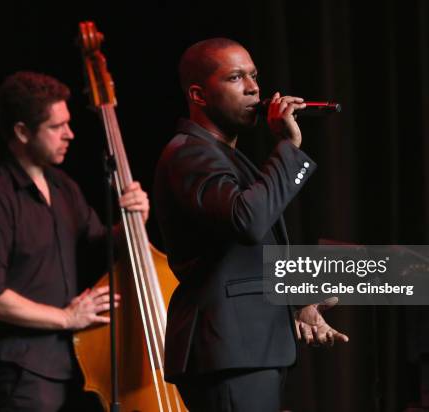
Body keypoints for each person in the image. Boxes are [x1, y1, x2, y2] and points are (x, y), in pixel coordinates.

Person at [153, 38, 349, 411]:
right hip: (227, 349)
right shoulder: (189, 153)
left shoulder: (224, 156)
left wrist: (295, 304)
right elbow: (248, 220)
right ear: (199, 94)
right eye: (235, 77)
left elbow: (238, 253)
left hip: (245, 346)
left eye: (255, 76)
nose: (254, 88)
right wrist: (290, 147)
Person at [0, 71, 149, 411]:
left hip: (72, 365)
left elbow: (101, 246)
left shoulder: (64, 187)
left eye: (68, 123)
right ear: (21, 132)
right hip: (19, 375)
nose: (70, 135)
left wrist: (135, 217)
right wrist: (66, 318)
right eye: (56, 127)